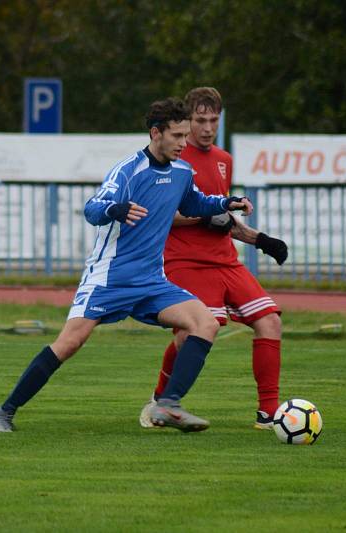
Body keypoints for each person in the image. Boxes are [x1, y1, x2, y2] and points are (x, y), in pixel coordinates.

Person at [0, 97, 250, 433]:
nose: (185, 143)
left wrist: (227, 202)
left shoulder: (182, 171)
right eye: (178, 136)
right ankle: (3, 413)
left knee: (205, 323)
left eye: (186, 135)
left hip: (152, 281)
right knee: (69, 344)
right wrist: (116, 209)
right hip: (110, 278)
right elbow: (93, 208)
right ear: (156, 133)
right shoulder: (128, 171)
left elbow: (194, 201)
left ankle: (167, 405)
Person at [139, 87, 289, 431]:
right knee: (193, 331)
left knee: (270, 322)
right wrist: (204, 217)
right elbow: (165, 213)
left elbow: (220, 213)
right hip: (185, 260)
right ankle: (160, 401)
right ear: (186, 122)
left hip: (226, 261)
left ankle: (268, 415)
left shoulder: (224, 160)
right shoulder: (174, 156)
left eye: (213, 120)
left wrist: (260, 240)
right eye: (199, 120)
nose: (207, 128)